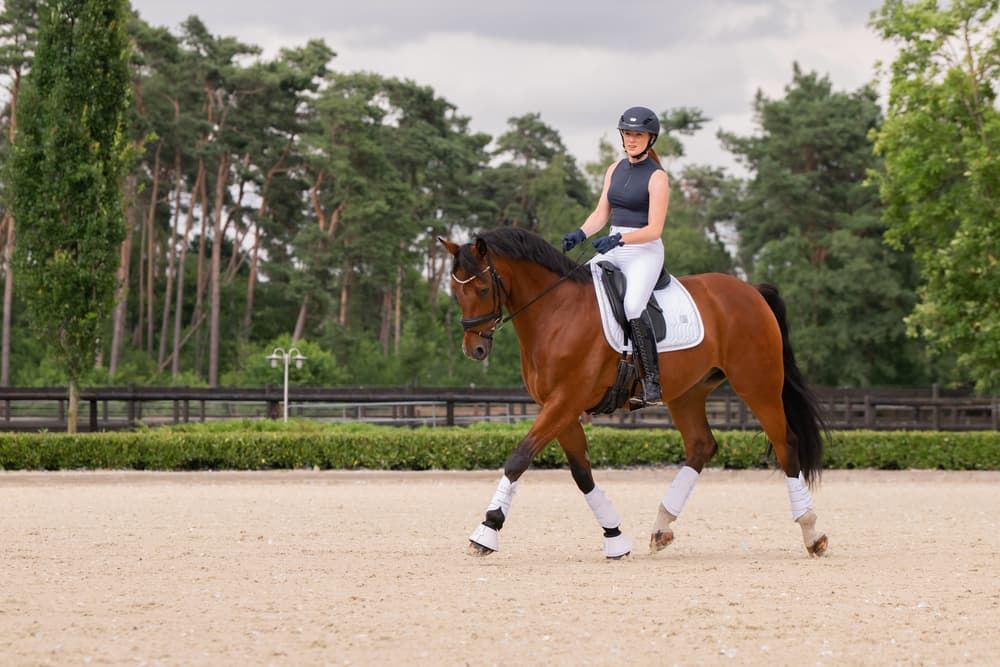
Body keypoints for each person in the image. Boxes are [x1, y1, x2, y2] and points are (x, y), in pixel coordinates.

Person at [562, 106, 668, 404]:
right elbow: (601, 213)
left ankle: (651, 381)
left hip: (643, 250)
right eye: (627, 134)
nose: (631, 139)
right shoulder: (614, 169)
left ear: (650, 138)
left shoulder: (658, 177)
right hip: (615, 243)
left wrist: (621, 239)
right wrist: (581, 233)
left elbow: (655, 229)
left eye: (638, 134)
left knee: (633, 305)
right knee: (580, 289)